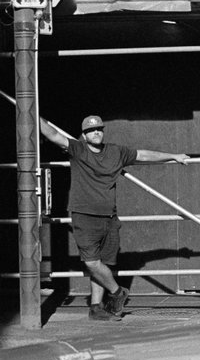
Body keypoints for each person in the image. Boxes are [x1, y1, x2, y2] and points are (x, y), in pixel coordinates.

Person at [41, 114, 190, 321]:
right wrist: (32, 112)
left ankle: (96, 308)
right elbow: (52, 133)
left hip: (109, 217)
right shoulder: (78, 149)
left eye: (99, 129)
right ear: (84, 135)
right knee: (92, 263)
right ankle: (118, 292)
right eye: (91, 130)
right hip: (84, 216)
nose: (96, 132)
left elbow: (144, 155)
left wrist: (173, 155)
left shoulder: (116, 152)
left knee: (105, 263)